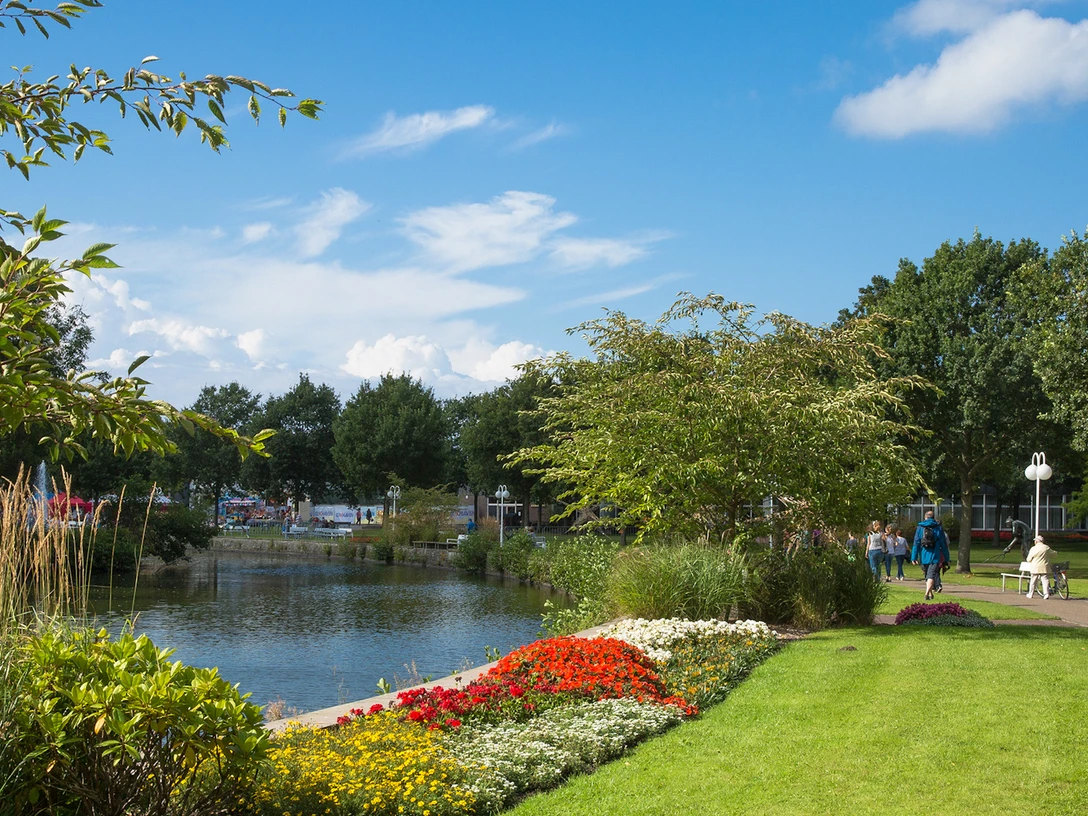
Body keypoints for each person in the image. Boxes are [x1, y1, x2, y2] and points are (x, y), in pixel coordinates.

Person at [912, 511, 951, 600]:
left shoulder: (920, 527)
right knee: (931, 575)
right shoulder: (938, 528)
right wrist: (947, 558)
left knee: (927, 575)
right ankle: (928, 593)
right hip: (935, 555)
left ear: (925, 517)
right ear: (933, 517)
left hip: (923, 555)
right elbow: (943, 544)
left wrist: (914, 557)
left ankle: (927, 593)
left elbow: (916, 543)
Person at [1025, 535, 1057, 599]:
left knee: (1033, 581)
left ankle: (1030, 594)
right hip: (1044, 566)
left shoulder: (1033, 548)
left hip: (1035, 567)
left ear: (1036, 541)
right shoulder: (1046, 548)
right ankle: (1046, 594)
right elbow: (1054, 554)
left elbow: (1028, 559)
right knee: (1045, 580)